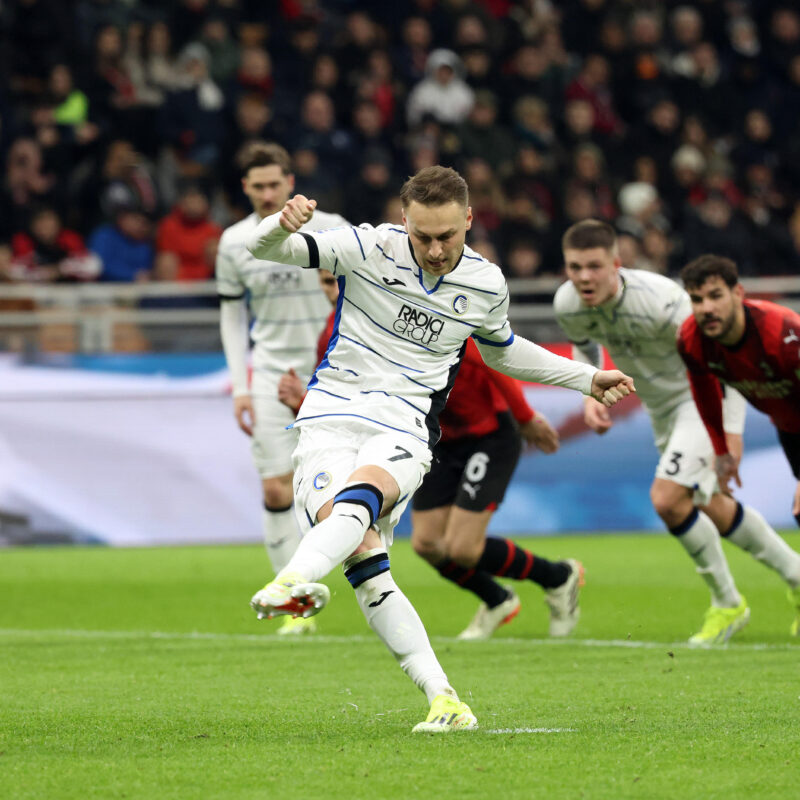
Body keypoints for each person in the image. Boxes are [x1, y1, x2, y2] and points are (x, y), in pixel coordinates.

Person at [245, 166, 634, 732]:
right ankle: (444, 699)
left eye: (446, 236)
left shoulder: (485, 283)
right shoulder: (365, 245)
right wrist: (281, 224)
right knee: (365, 562)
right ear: (404, 220)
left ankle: (291, 580)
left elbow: (502, 352)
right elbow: (265, 251)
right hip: (328, 416)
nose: (433, 248)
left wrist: (584, 378)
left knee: (360, 505)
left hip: (404, 425)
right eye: (421, 235)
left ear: (469, 220)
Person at [554, 220, 800, 646]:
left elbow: (726, 359)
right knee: (711, 503)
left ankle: (727, 603)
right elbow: (585, 344)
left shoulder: (665, 301)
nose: (584, 277)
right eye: (575, 267)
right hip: (661, 410)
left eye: (594, 266)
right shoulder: (568, 303)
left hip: (700, 401)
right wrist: (588, 388)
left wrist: (732, 432)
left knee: (667, 498)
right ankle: (796, 577)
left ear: (617, 263)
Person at [215, 142, 347, 636]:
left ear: (291, 182)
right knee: (275, 487)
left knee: (331, 489)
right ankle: (291, 603)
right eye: (258, 186)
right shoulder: (233, 243)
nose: (268, 193)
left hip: (332, 369)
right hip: (270, 373)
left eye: (276, 184)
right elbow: (232, 314)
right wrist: (240, 387)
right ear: (245, 188)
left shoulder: (332, 226)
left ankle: (348, 580)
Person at [411, 337, 585, 640]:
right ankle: (497, 600)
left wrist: (525, 417)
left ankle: (558, 577)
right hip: (443, 442)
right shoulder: (373, 325)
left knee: (462, 549)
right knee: (426, 543)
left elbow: (495, 360)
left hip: (489, 436)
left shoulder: (441, 318)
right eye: (326, 283)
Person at [677, 254, 800, 634]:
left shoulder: (784, 334)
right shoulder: (693, 341)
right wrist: (721, 450)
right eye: (697, 300)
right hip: (791, 427)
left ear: (739, 293)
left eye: (715, 296)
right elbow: (706, 393)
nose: (707, 308)